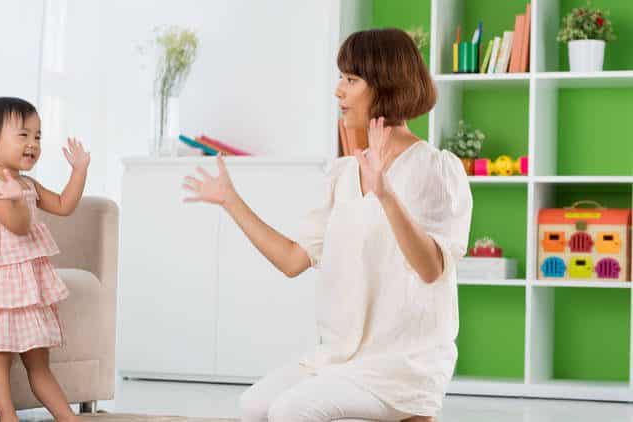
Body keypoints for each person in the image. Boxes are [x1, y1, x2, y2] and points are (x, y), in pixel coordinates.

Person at [182, 28, 473, 422]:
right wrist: (231, 201)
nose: (338, 91)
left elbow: (431, 268)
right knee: (253, 406)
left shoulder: (434, 169)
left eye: (351, 80)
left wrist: (385, 196)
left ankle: (412, 413)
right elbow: (291, 261)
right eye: (341, 78)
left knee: (291, 411)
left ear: (385, 85)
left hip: (403, 364)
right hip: (342, 357)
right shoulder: (343, 174)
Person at [0, 97, 90, 422]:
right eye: (23, 135)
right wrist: (16, 201)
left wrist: (79, 172)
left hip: (28, 289)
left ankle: (68, 417)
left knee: (39, 362)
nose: (32, 144)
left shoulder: (27, 184)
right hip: (2, 291)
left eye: (38, 136)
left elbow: (64, 204)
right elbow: (19, 225)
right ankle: (7, 417)